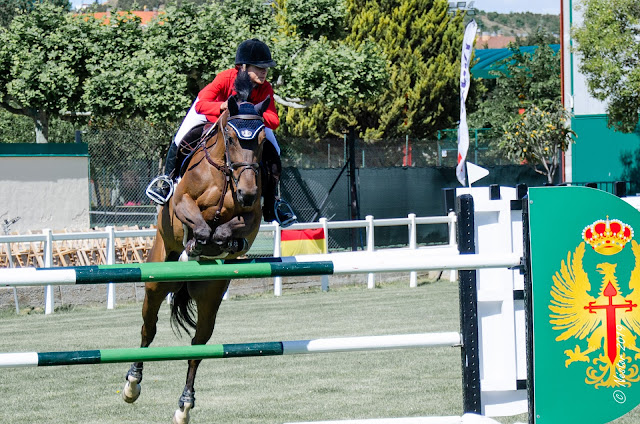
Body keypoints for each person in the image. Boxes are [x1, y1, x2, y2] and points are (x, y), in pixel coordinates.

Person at [146, 38, 295, 225]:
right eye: (258, 67)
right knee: (181, 137)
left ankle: (273, 201)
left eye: (265, 67)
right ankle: (167, 180)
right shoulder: (225, 78)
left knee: (275, 150)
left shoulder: (266, 88)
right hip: (211, 114)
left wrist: (252, 115)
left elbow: (274, 120)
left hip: (248, 123)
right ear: (243, 66)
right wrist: (222, 106)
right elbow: (201, 104)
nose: (264, 71)